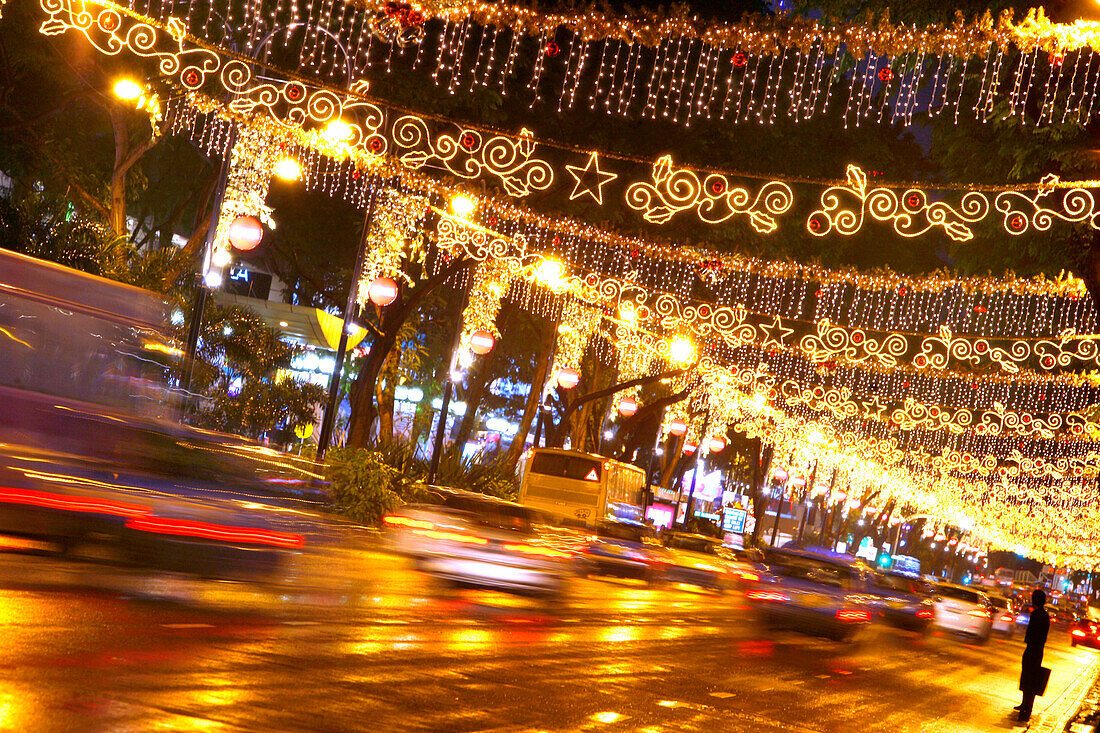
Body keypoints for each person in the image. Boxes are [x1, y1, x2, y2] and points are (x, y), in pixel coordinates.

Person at [1015, 588, 1050, 722]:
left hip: (1032, 649)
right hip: (1038, 650)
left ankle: (1026, 707)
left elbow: (1031, 634)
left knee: (1028, 678)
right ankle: (1026, 705)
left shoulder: (1036, 615)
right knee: (1032, 678)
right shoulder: (1045, 615)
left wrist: (1029, 640)